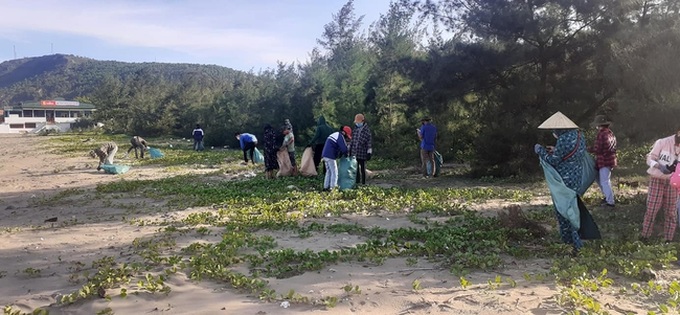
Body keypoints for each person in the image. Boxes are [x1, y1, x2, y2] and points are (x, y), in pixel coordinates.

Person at [534, 112, 594, 255]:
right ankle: (575, 240)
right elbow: (571, 154)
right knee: (573, 206)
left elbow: (554, 161)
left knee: (564, 209)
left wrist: (540, 150)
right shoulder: (579, 136)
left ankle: (572, 243)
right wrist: (555, 150)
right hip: (577, 177)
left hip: (564, 179)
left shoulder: (563, 139)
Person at [641, 129, 680, 243]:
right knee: (652, 209)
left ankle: (668, 239)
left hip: (673, 183)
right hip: (657, 180)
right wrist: (658, 166)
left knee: (671, 212)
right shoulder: (662, 142)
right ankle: (645, 236)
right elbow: (649, 158)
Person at [588, 115, 617, 207]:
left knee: (604, 181)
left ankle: (610, 202)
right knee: (600, 179)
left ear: (599, 125)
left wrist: (588, 149)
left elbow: (598, 148)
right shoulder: (610, 133)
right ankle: (608, 196)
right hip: (610, 159)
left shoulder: (601, 134)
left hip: (604, 160)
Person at [322, 126, 352, 191]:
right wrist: (347, 154)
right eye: (346, 136)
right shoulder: (340, 136)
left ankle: (326, 186)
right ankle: (333, 188)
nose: (346, 138)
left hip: (325, 155)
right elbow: (344, 148)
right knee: (334, 172)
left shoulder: (335, 134)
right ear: (344, 133)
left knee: (328, 171)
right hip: (330, 155)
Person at [349, 113, 372, 185]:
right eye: (356, 123)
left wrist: (369, 152)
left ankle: (363, 183)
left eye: (358, 122)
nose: (357, 124)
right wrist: (349, 149)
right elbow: (352, 140)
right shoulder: (355, 129)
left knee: (362, 168)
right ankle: (357, 182)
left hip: (362, 153)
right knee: (356, 169)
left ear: (362, 121)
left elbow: (369, 142)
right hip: (355, 152)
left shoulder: (366, 131)